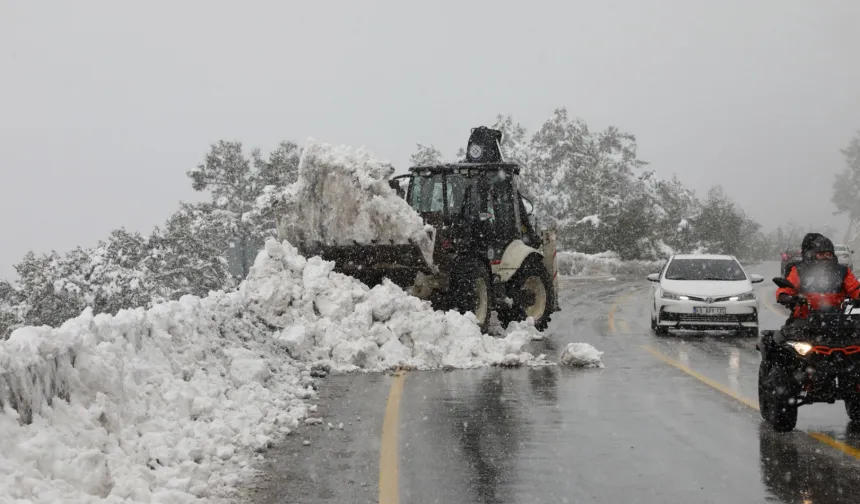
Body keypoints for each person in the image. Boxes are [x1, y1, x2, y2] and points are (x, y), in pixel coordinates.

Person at [776, 234, 860, 318]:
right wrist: (784, 296)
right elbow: (788, 286)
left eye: (828, 254)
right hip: (804, 319)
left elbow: (855, 289)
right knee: (790, 330)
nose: (825, 257)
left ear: (833, 255)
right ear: (812, 255)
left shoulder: (842, 271)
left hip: (837, 319)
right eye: (821, 254)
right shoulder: (799, 270)